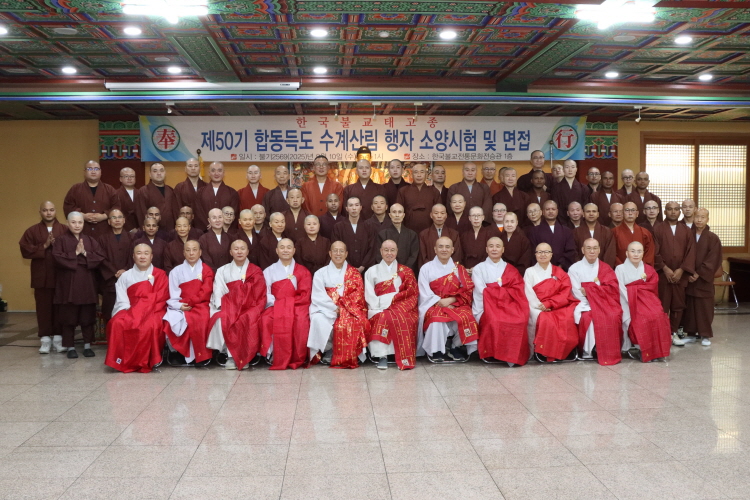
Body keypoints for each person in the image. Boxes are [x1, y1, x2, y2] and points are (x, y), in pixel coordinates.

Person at [105, 244, 168, 372]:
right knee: (116, 322)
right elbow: (122, 300)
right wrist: (132, 312)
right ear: (133, 256)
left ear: (151, 256)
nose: (142, 256)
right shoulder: (125, 276)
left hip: (154, 309)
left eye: (146, 253)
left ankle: (148, 360)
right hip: (130, 308)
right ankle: (120, 360)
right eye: (139, 253)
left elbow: (161, 296)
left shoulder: (160, 274)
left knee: (151, 324)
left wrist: (142, 310)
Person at [308, 241, 370, 368]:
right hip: (326, 309)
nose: (338, 253)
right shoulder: (320, 273)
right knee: (318, 320)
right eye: (335, 251)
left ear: (346, 254)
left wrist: (344, 308)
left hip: (349, 309)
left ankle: (351, 352)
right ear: (330, 253)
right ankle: (328, 349)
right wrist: (334, 308)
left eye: (341, 251)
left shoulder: (354, 273)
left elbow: (358, 295)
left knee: (355, 320)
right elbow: (318, 295)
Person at [207, 240, 266, 370]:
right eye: (236, 249)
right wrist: (224, 305)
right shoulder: (222, 270)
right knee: (223, 318)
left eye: (242, 248)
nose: (239, 251)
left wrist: (246, 304)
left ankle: (246, 355)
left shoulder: (256, 270)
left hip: (250, 306)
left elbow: (259, 292)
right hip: (229, 305)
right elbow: (218, 290)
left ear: (248, 251)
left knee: (247, 318)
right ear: (230, 252)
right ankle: (231, 356)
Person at [53, 212, 105, 359]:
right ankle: (70, 347)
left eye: (80, 222)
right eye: (73, 222)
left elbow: (100, 257)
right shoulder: (60, 240)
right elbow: (57, 258)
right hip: (68, 283)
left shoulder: (90, 240)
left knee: (87, 316)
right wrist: (75, 253)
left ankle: (87, 346)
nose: (77, 225)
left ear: (83, 223)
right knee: (68, 317)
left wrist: (85, 253)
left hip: (87, 282)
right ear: (67, 223)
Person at [418, 236, 478, 362]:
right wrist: (440, 302)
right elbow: (424, 291)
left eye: (447, 247)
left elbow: (467, 290)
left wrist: (451, 300)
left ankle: (456, 346)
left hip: (456, 303)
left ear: (452, 250)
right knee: (436, 319)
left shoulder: (459, 269)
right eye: (440, 247)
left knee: (467, 316)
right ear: (435, 249)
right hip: (434, 304)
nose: (444, 249)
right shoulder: (426, 268)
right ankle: (436, 350)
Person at [472, 237, 530, 366]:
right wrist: (502, 291)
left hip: (508, 305)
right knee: (494, 320)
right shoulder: (478, 269)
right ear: (486, 249)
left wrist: (495, 289)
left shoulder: (511, 269)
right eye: (491, 246)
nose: (494, 249)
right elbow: (482, 291)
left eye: (497, 246)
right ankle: (494, 353)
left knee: (520, 319)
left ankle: (512, 355)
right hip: (487, 306)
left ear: (503, 249)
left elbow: (517, 290)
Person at [19, 201, 68, 354]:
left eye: (51, 210)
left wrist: (58, 245)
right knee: (43, 308)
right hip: (41, 277)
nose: (48, 213)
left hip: (61, 277)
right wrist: (44, 246)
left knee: (60, 308)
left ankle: (59, 339)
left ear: (55, 211)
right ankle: (45, 340)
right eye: (45, 210)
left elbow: (72, 247)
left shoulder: (64, 229)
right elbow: (25, 249)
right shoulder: (32, 231)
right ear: (40, 212)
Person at [365, 240, 419, 370]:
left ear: (397, 251)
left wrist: (396, 306)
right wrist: (380, 306)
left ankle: (398, 354)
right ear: (381, 251)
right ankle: (382, 356)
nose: (389, 253)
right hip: (378, 308)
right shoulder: (372, 271)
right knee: (382, 317)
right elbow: (369, 294)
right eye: (386, 250)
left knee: (403, 318)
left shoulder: (406, 271)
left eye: (392, 250)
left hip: (401, 307)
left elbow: (412, 293)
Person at [568, 238, 623, 364]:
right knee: (589, 317)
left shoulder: (606, 268)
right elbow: (576, 291)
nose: (592, 251)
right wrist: (594, 292)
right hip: (583, 304)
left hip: (604, 303)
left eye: (594, 248)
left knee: (614, 315)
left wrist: (589, 290)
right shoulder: (574, 268)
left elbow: (612, 289)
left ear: (599, 250)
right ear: (583, 250)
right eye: (588, 248)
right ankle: (588, 350)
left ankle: (607, 350)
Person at [260, 238, 312, 370]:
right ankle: (273, 354)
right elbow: (265, 293)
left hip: (297, 305)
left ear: (294, 250)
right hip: (275, 305)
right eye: (282, 247)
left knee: (301, 320)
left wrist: (288, 304)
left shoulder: (302, 271)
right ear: (277, 250)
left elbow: (305, 294)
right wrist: (279, 304)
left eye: (289, 247)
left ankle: (298, 355)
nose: (285, 250)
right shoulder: (269, 271)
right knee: (266, 319)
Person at [616, 242, 672, 362]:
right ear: (627, 253)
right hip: (627, 302)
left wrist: (639, 294)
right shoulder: (620, 269)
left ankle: (657, 350)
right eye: (632, 251)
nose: (636, 254)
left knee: (657, 315)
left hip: (646, 300)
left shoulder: (649, 270)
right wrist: (633, 298)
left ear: (643, 254)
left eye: (639, 251)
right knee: (642, 318)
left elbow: (652, 287)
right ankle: (643, 349)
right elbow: (620, 289)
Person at [524, 243, 579, 362]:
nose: (543, 255)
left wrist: (550, 303)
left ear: (551, 254)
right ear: (535, 255)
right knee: (545, 319)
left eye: (546, 252)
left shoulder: (559, 272)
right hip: (537, 306)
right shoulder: (529, 271)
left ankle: (563, 350)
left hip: (557, 305)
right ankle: (543, 351)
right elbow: (528, 292)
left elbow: (565, 292)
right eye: (539, 252)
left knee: (566, 318)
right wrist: (540, 306)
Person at [163, 240, 214, 365]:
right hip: (181, 304)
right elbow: (173, 293)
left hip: (201, 303)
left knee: (202, 318)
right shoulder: (176, 271)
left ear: (200, 252)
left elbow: (206, 291)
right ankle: (178, 353)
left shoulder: (206, 270)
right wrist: (180, 305)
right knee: (172, 319)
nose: (191, 253)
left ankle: (201, 355)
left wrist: (191, 302)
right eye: (188, 250)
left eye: (194, 250)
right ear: (183, 253)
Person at [653, 201, 696, 347]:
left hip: (680, 275)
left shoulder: (686, 230)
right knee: (662, 305)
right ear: (664, 212)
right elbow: (654, 251)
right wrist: (665, 269)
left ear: (680, 212)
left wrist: (681, 270)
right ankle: (662, 333)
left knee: (678, 305)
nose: (673, 212)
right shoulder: (658, 229)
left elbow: (691, 252)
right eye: (670, 209)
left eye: (676, 209)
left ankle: (674, 332)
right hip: (663, 275)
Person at [683, 208, 722, 346]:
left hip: (703, 279)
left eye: (703, 217)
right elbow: (682, 255)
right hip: (688, 277)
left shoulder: (713, 238)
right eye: (697, 217)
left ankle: (705, 334)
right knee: (690, 307)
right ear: (693, 218)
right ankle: (691, 334)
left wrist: (698, 273)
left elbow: (713, 259)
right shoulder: (687, 235)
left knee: (704, 307)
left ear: (707, 219)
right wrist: (688, 272)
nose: (699, 220)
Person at [63, 160, 118, 237]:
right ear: (84, 172)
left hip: (105, 233)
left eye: (96, 169)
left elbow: (117, 207)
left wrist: (104, 216)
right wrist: (82, 215)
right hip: (82, 232)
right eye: (89, 169)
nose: (93, 171)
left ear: (101, 172)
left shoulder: (110, 189)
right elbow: (68, 206)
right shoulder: (75, 189)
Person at [97, 209, 132, 324]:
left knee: (128, 313)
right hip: (110, 281)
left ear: (124, 220)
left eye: (120, 217)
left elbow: (135, 257)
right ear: (109, 221)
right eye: (114, 217)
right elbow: (101, 258)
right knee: (110, 313)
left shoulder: (131, 237)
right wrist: (115, 272)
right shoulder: (102, 238)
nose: (117, 220)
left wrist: (125, 270)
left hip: (128, 279)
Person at [527, 200, 577, 272]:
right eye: (547, 209)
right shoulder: (534, 231)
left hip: (562, 270)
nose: (550, 211)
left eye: (553, 209)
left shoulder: (566, 231)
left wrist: (561, 265)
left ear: (557, 211)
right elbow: (533, 252)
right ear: (543, 212)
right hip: (541, 269)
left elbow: (570, 251)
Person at [331, 196, 376, 273]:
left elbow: (372, 248)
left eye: (356, 205)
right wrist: (349, 266)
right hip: (344, 269)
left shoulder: (369, 226)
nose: (354, 208)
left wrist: (363, 266)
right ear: (346, 208)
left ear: (360, 207)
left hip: (366, 270)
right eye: (351, 205)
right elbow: (336, 248)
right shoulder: (338, 227)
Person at [396, 162, 440, 235]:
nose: (419, 175)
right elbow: (398, 212)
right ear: (412, 175)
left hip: (430, 231)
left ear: (426, 175)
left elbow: (439, 212)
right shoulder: (403, 191)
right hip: (408, 231)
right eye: (416, 172)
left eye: (422, 172)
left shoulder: (434, 191)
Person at [194, 162, 240, 231]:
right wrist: (209, 224)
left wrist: (222, 225)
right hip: (205, 231)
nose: (216, 173)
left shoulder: (232, 192)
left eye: (219, 170)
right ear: (209, 173)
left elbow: (234, 213)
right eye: (213, 170)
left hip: (225, 231)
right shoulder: (200, 192)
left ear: (224, 173)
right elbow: (198, 212)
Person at [376, 203, 418, 273]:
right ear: (390, 215)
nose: (397, 215)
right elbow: (379, 255)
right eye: (394, 212)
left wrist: (404, 270)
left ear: (403, 215)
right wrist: (390, 269)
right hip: (387, 272)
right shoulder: (382, 234)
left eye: (400, 212)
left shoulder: (412, 234)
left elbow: (414, 256)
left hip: (406, 272)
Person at [136, 162, 179, 229]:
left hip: (170, 229)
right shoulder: (143, 191)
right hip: (152, 230)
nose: (159, 173)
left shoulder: (170, 190)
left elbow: (175, 211)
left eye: (161, 171)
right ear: (150, 174)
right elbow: (141, 213)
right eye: (155, 171)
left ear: (165, 173)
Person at [612, 202, 655, 266]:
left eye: (633, 210)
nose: (630, 213)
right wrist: (622, 268)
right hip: (621, 269)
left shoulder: (645, 233)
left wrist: (641, 267)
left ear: (637, 213)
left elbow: (649, 254)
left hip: (641, 269)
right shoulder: (614, 232)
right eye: (627, 210)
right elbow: (612, 253)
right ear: (622, 213)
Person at [574, 203, 616, 268]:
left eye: (594, 211)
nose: (591, 214)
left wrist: (603, 269)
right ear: (583, 214)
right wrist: (581, 267)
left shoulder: (607, 231)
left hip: (602, 269)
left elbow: (610, 253)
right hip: (581, 269)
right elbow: (574, 253)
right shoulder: (576, 232)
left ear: (598, 214)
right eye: (588, 211)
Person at [553, 160, 589, 224]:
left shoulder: (584, 188)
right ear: (563, 169)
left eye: (572, 167)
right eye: (567, 167)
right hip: (562, 223)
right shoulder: (556, 188)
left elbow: (586, 207)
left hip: (580, 222)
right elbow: (556, 207)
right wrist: (563, 223)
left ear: (576, 169)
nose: (570, 170)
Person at [460, 207, 495, 271]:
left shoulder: (490, 234)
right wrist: (464, 268)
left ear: (483, 217)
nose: (476, 218)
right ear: (469, 218)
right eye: (473, 215)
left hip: (484, 268)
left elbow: (491, 253)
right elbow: (461, 254)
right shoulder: (464, 235)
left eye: (479, 215)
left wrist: (478, 268)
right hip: (467, 269)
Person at [198, 208, 232, 272]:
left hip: (229, 273)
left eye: (220, 217)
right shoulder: (203, 239)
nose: (217, 220)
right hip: (211, 274)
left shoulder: (230, 238)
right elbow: (205, 260)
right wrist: (217, 273)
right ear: (209, 220)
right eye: (214, 218)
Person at [500, 212, 532, 277]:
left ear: (516, 223)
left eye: (512, 222)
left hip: (517, 274)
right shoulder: (500, 238)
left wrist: (514, 274)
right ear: (503, 222)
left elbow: (525, 261)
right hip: (500, 273)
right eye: (506, 221)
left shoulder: (523, 240)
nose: (509, 225)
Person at [115, 167, 138, 231]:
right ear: (120, 179)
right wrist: (130, 229)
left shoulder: (140, 193)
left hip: (140, 228)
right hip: (123, 229)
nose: (129, 178)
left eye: (132, 176)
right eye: (126, 176)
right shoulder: (116, 194)